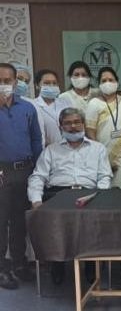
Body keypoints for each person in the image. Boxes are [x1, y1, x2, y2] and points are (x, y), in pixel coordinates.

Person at [28, 107, 112, 284]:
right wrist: (36, 201)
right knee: (56, 226)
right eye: (67, 123)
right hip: (58, 194)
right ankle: (57, 264)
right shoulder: (51, 150)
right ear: (61, 127)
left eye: (76, 122)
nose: (73, 126)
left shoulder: (98, 149)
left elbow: (105, 176)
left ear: (83, 124)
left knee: (93, 225)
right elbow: (38, 177)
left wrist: (100, 196)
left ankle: (91, 266)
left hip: (89, 194)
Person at [0, 63, 42, 289]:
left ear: (15, 82)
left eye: (7, 81)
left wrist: (37, 168)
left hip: (25, 170)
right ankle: (1, 269)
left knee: (19, 221)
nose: (3, 85)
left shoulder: (27, 108)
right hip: (1, 172)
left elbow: (36, 139)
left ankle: (19, 263)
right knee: (0, 222)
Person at [86, 67, 121, 188]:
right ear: (99, 84)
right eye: (104, 80)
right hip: (102, 157)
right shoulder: (94, 104)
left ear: (117, 82)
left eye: (111, 80)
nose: (108, 83)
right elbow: (90, 132)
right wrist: (101, 157)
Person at [33, 69, 72, 146]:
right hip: (45, 148)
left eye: (54, 83)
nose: (51, 86)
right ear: (37, 85)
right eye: (46, 83)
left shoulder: (65, 103)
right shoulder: (33, 105)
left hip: (69, 146)